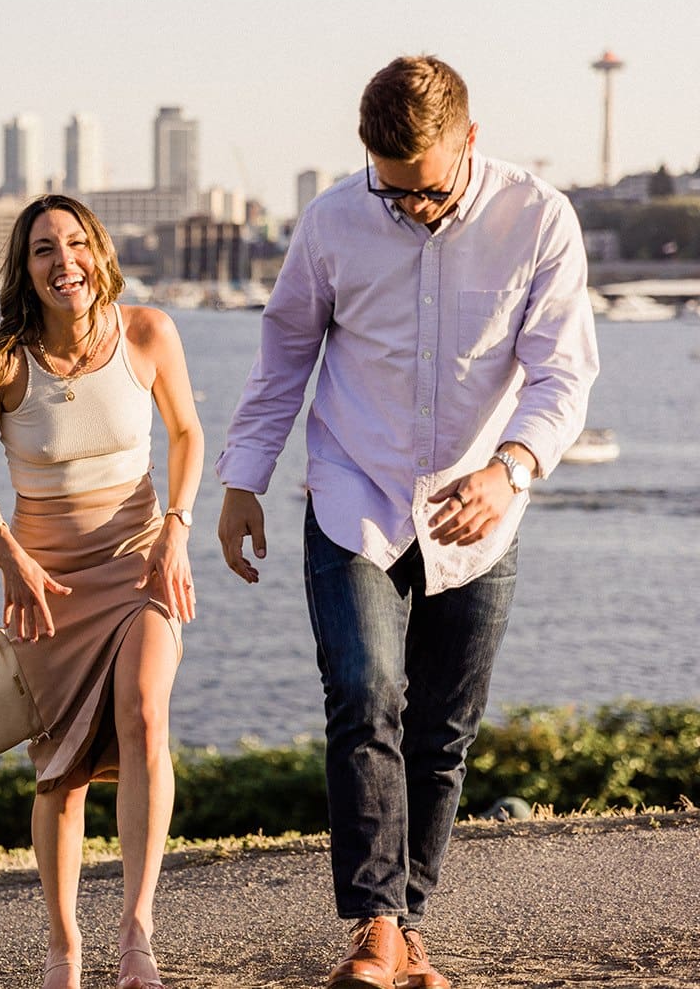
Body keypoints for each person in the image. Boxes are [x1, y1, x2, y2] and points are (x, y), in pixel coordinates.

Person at [215, 56, 598, 989]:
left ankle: (408, 925)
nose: (410, 209)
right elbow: (283, 358)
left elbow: (564, 374)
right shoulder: (334, 221)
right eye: (392, 192)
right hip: (355, 496)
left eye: (424, 191)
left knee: (445, 726)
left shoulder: (540, 219)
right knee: (363, 692)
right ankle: (376, 928)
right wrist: (242, 480)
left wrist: (511, 472)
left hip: (481, 512)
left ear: (469, 138)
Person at [0, 194, 204, 989]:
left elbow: (188, 433)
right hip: (45, 587)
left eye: (75, 243)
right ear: (25, 270)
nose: (65, 262)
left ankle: (137, 935)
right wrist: (7, 548)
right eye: (43, 251)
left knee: (145, 713)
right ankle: (64, 951)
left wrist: (177, 524)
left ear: (97, 250)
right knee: (57, 777)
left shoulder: (149, 333)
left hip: (139, 562)